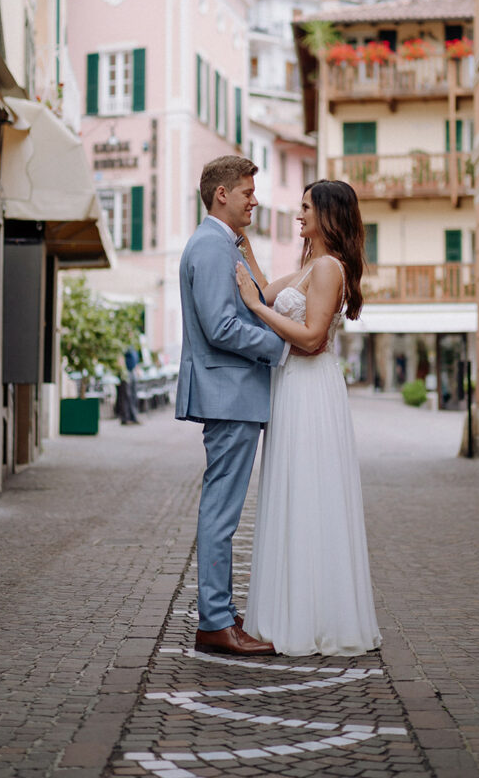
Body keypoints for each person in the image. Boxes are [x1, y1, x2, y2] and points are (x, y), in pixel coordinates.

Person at [236, 180, 381, 657]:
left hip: (311, 390)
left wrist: (257, 308)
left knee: (310, 493)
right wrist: (240, 238)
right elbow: (261, 286)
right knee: (292, 492)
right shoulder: (306, 267)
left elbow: (312, 337)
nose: (297, 215)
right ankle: (290, 610)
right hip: (291, 389)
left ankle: (316, 616)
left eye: (304, 208)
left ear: (326, 214)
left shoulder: (328, 268)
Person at [176, 155, 286, 656]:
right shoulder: (212, 246)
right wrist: (279, 346)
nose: (254, 200)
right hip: (231, 392)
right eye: (247, 192)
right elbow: (220, 326)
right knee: (221, 513)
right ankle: (215, 623)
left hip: (233, 392)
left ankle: (220, 611)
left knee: (223, 511)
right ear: (222, 194)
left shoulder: (221, 244)